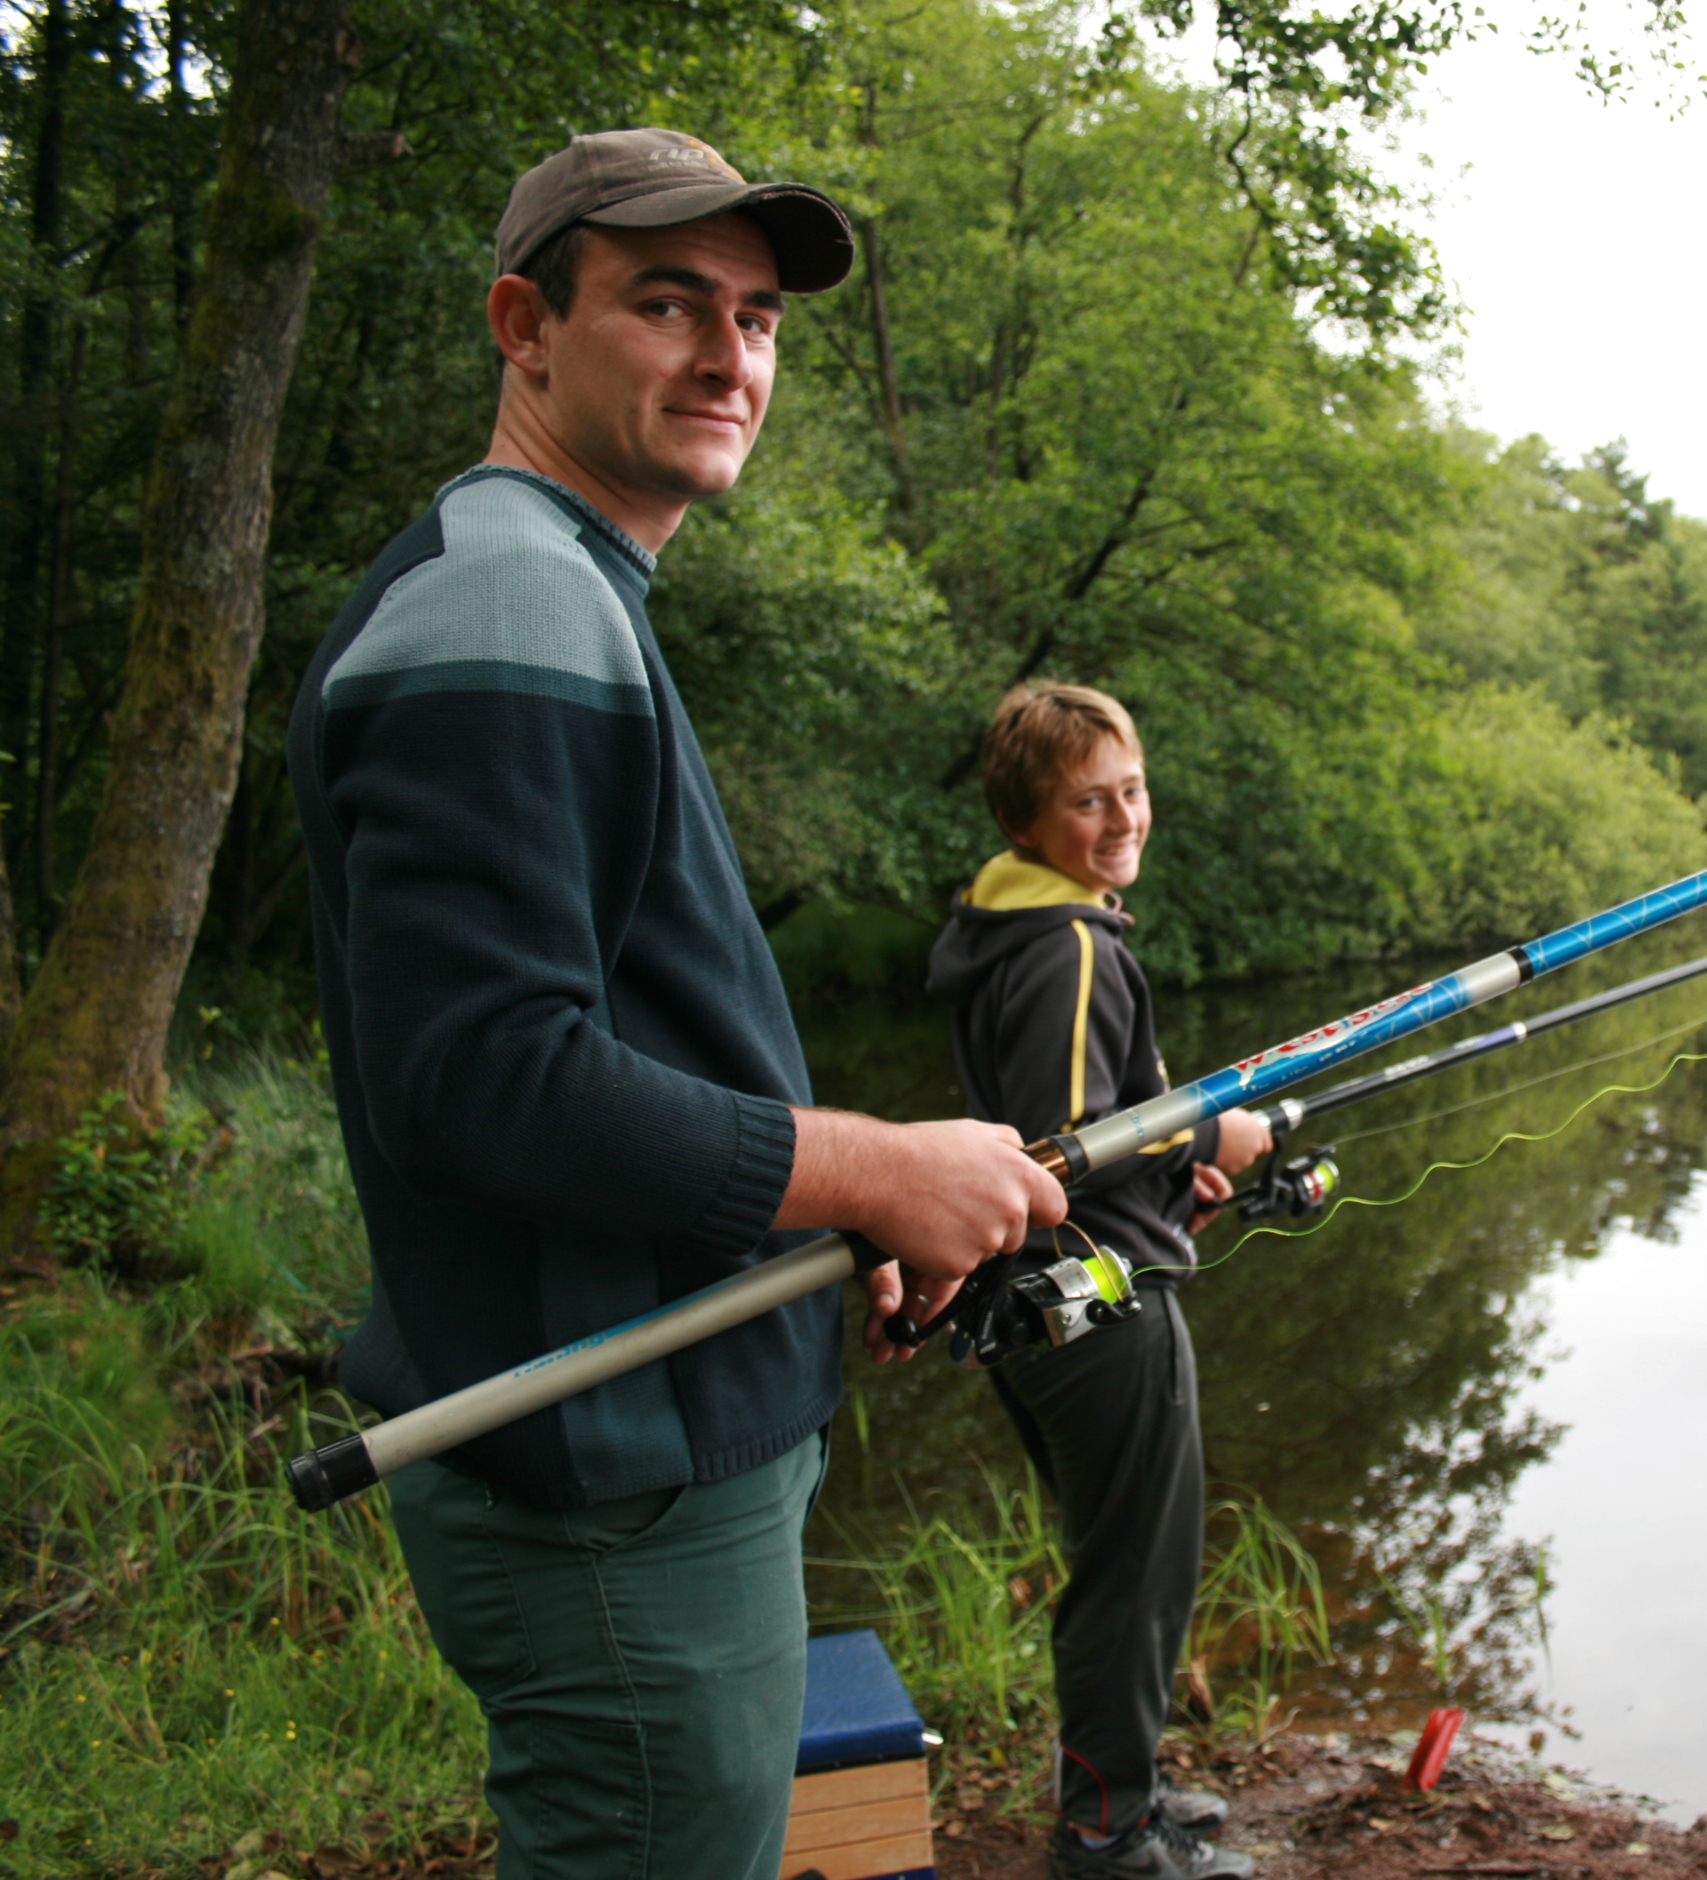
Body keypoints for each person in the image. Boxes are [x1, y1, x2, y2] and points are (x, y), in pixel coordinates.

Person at [286, 129, 1066, 1880]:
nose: (731, 355)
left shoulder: (562, 583)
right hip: (611, 1480)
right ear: (525, 324)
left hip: (632, 1435)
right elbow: (484, 1082)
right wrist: (871, 1170)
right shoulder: (512, 599)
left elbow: (615, 1033)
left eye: (760, 317)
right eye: (666, 303)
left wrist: (797, 1236)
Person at [925, 685, 1271, 1880]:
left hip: (1046, 1290)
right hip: (1093, 1296)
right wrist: (1205, 1142)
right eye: (1087, 798)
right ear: (1028, 819)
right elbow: (1064, 1141)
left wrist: (1170, 1186)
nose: (1122, 815)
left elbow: (1068, 1133)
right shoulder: (1070, 945)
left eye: (1130, 787)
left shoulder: (1019, 928)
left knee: (1126, 1553)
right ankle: (1107, 1834)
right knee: (1138, 1563)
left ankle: (1123, 1790)